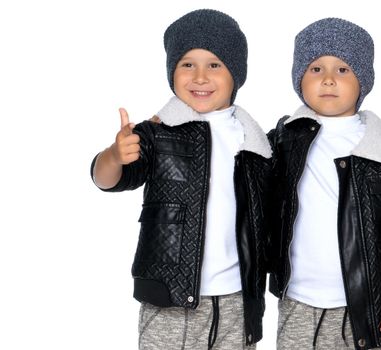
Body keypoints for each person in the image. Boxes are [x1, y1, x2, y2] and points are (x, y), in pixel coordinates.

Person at [90, 9, 272, 349]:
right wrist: (115, 156)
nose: (200, 77)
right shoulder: (157, 133)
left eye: (215, 65)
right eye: (187, 64)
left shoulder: (256, 142)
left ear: (236, 74)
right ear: (172, 72)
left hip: (236, 299)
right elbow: (107, 179)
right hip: (168, 299)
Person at [267, 18, 381, 350]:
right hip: (298, 307)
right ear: (299, 78)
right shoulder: (282, 140)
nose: (328, 79)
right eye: (316, 69)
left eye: (343, 69)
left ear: (363, 80)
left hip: (372, 312)